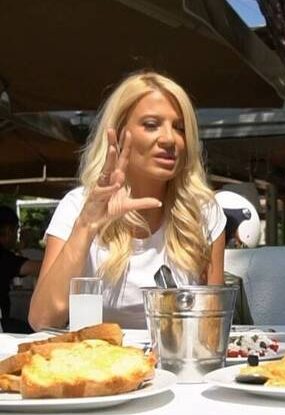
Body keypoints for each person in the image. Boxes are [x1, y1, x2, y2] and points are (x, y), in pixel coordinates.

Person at [29, 71, 226, 330]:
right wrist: (86, 226)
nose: (170, 139)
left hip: (176, 355)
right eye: (151, 124)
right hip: (95, 354)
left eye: (179, 127)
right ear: (119, 134)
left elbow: (212, 328)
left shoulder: (202, 212)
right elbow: (42, 319)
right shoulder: (78, 206)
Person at [0, 206, 41, 332]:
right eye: (16, 231)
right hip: (2, 325)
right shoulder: (3, 257)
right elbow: (36, 268)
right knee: (35, 331)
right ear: (8, 230)